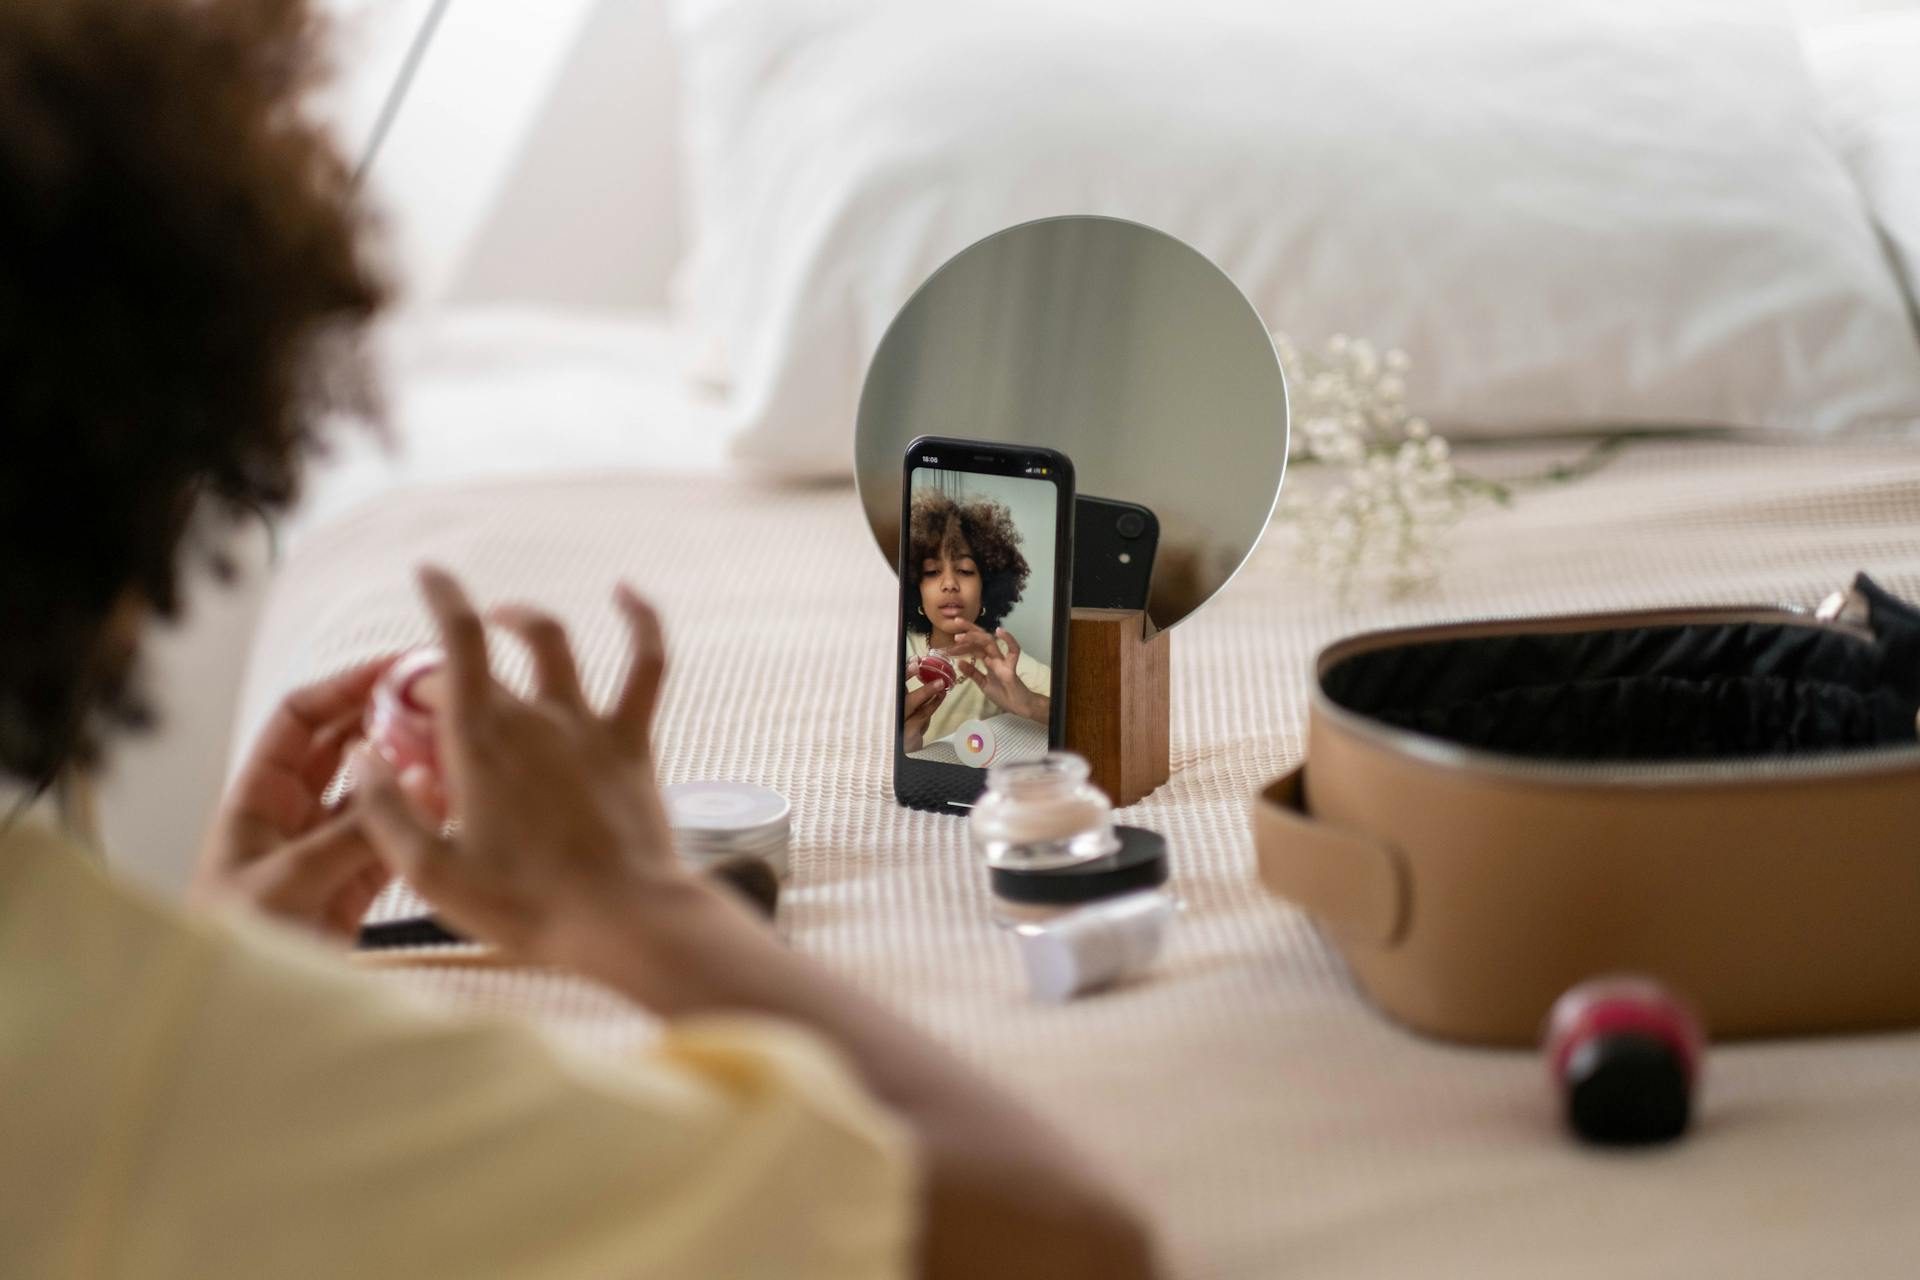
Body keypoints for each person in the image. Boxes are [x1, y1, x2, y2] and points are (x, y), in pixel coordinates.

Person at [0, 2, 1157, 1276]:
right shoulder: (173, 1074)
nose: (942, 589)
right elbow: (1075, 1241)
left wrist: (217, 957)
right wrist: (638, 903)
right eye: (927, 569)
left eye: (959, 571)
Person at [902, 489, 1054, 755]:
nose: (949, 584)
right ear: (916, 586)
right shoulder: (898, 651)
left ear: (988, 587)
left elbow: (1090, 714)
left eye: (964, 571)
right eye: (931, 572)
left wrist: (1030, 704)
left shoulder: (1004, 662)